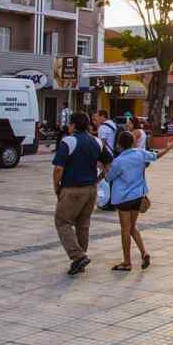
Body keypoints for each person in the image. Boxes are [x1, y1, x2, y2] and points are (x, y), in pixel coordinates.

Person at [101, 131, 169, 271]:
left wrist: (104, 167)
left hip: (124, 198)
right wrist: (169, 148)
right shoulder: (140, 153)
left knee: (125, 229)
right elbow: (155, 156)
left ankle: (127, 262)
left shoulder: (118, 161)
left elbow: (108, 178)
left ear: (119, 145)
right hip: (138, 196)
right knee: (132, 227)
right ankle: (144, 253)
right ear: (133, 142)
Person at [51, 111, 103, 276]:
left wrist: (56, 186)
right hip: (91, 189)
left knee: (62, 222)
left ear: (72, 125)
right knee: (83, 224)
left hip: (73, 188)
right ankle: (80, 260)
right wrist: (98, 179)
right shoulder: (96, 141)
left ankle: (77, 255)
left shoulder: (69, 141)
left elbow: (58, 168)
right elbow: (109, 164)